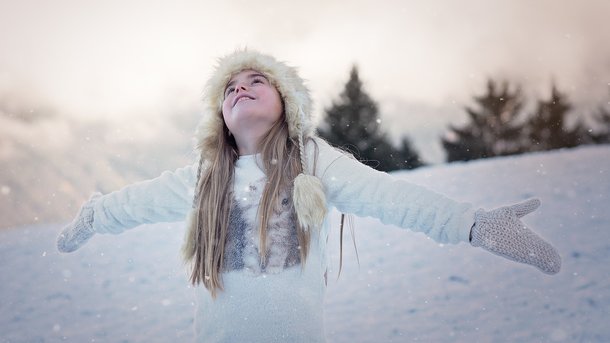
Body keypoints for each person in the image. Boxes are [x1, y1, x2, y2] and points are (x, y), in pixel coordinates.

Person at [56, 49, 561, 342]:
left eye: (257, 81)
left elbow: (389, 197)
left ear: (287, 105)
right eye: (230, 87)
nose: (240, 88)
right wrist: (95, 214)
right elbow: (136, 202)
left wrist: (473, 224)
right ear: (220, 117)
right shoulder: (205, 178)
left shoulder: (313, 161)